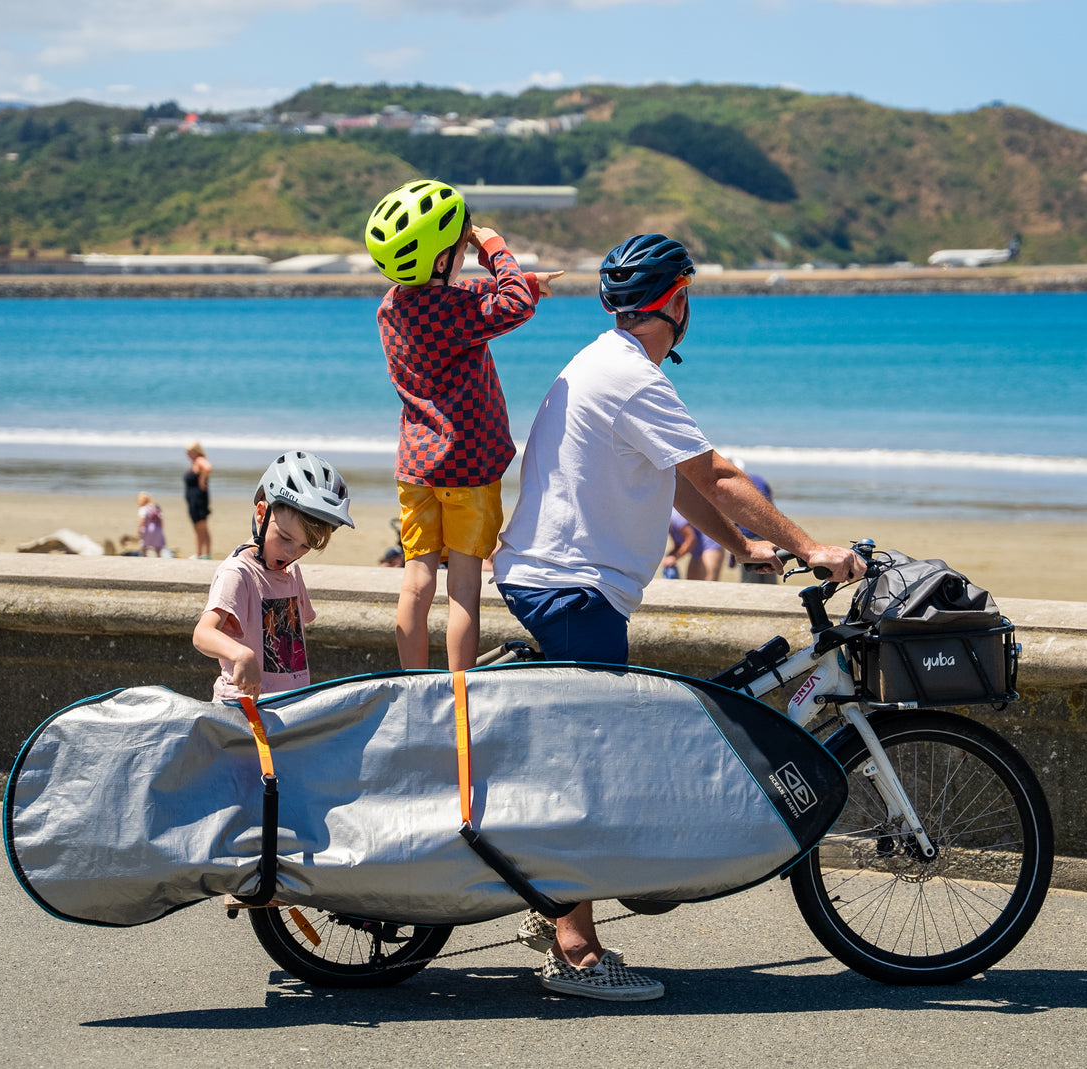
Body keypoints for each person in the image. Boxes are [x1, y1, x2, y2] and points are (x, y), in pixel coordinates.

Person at [492, 233, 864, 1001]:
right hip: (572, 588)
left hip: (557, 578)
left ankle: (566, 896)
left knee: (595, 746)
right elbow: (718, 471)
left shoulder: (609, 363)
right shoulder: (632, 378)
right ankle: (575, 951)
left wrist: (745, 544)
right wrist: (812, 546)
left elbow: (684, 476)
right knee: (588, 766)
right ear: (678, 300)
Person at [366, 178, 563, 672]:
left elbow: (455, 297)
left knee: (416, 581)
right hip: (468, 470)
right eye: (458, 247)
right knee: (463, 590)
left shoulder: (390, 308)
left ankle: (412, 678)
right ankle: (459, 688)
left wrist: (512, 278)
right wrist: (495, 248)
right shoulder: (459, 310)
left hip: (415, 468)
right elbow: (510, 305)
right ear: (441, 260)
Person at [192, 451, 354, 702]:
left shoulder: (291, 570)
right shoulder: (238, 573)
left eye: (304, 547)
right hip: (244, 706)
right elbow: (202, 634)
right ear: (261, 514)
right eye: (286, 538)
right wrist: (240, 654)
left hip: (290, 701)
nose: (291, 553)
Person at [184, 442, 213, 560]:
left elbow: (208, 467)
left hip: (199, 500)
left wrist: (202, 480)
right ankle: (201, 554)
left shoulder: (200, 460)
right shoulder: (195, 462)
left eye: (189, 452)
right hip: (193, 499)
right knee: (198, 527)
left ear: (196, 451)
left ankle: (204, 554)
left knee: (202, 527)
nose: (187, 454)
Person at [135, 492, 165, 557]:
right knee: (158, 544)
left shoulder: (143, 508)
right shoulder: (155, 506)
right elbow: (161, 518)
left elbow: (143, 519)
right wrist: (161, 528)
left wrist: (139, 529)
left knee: (144, 544)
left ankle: (144, 555)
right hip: (157, 528)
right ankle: (158, 555)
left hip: (147, 528)